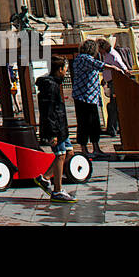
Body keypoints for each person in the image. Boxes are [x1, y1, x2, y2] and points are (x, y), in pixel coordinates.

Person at [35, 55, 77, 202]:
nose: (66, 73)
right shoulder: (50, 86)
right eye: (65, 70)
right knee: (60, 155)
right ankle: (57, 190)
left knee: (69, 153)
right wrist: (53, 134)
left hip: (61, 126)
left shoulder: (53, 84)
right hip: (56, 128)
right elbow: (49, 111)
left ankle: (45, 178)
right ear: (59, 70)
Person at [71, 40, 107, 157]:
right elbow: (100, 66)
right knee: (85, 123)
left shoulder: (80, 58)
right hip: (85, 96)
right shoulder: (84, 58)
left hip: (89, 96)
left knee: (93, 123)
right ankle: (85, 149)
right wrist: (115, 68)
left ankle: (94, 147)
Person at [99, 38, 128, 135]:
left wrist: (126, 71)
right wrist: (104, 78)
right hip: (111, 81)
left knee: (113, 106)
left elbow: (119, 64)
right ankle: (113, 128)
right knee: (113, 106)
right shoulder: (106, 55)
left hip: (115, 82)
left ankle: (113, 129)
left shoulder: (112, 54)